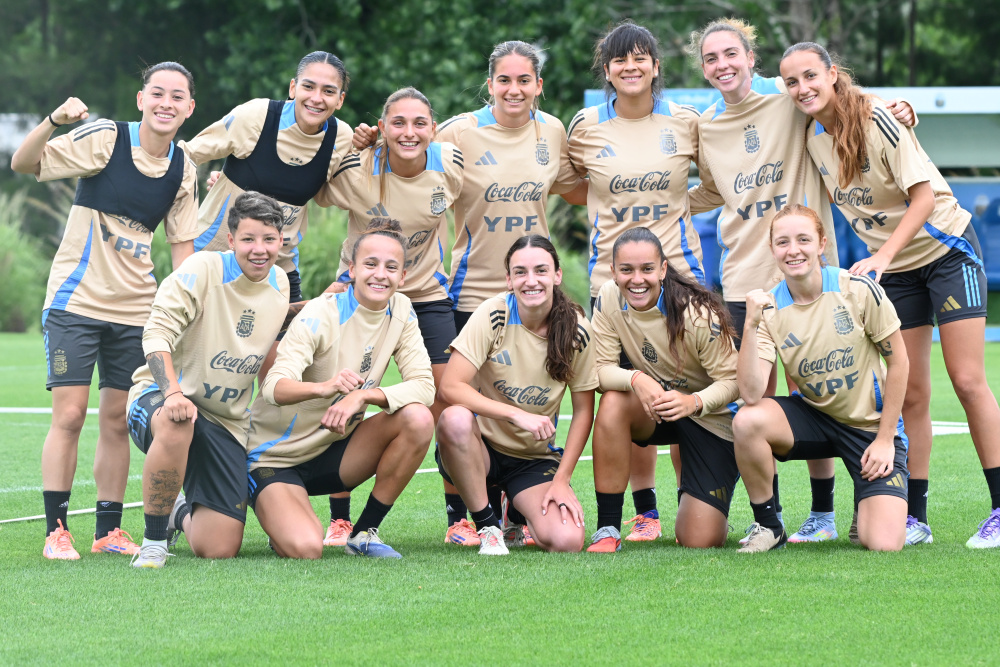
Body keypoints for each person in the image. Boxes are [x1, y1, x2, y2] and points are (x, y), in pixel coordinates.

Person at [687, 19, 916, 543]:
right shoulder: (706, 127)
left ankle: (824, 511)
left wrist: (896, 107)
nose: (722, 65)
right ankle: (767, 520)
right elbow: (704, 189)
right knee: (754, 403)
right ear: (703, 69)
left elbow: (835, 93)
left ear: (751, 58)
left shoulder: (786, 100)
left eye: (731, 54)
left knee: (809, 383)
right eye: (711, 58)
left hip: (812, 272)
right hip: (745, 276)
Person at [354, 40, 586, 546]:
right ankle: (461, 514)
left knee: (520, 394)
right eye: (504, 80)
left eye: (524, 80)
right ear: (490, 84)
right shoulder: (458, 131)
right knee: (455, 406)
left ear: (538, 86)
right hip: (471, 290)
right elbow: (404, 166)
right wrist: (367, 139)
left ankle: (518, 513)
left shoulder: (553, 130)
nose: (514, 89)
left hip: (534, 291)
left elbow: (576, 186)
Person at [780, 42, 1000, 548]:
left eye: (811, 76)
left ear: (832, 74)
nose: (802, 89)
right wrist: (886, 261)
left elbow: (923, 197)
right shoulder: (814, 137)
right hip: (895, 270)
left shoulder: (879, 118)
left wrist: (881, 257)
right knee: (914, 393)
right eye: (792, 82)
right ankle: (915, 516)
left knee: (967, 380)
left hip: (946, 251)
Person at [10, 62, 199, 560]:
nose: (166, 103)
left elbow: (183, 250)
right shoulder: (106, 139)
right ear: (141, 99)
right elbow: (23, 163)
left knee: (116, 420)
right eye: (157, 93)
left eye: (177, 97)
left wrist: (185, 309)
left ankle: (109, 532)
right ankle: (57, 531)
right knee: (70, 415)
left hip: (138, 309)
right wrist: (55, 120)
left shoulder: (184, 168)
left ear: (190, 108)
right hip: (76, 302)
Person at [568, 20, 707, 543]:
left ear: (654, 66)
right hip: (613, 284)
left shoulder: (687, 121)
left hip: (682, 279)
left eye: (640, 57)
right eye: (619, 60)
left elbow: (712, 185)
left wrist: (672, 213)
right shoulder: (585, 126)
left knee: (686, 390)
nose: (630, 67)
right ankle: (642, 511)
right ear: (607, 70)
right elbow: (565, 183)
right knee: (627, 398)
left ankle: (689, 503)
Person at [318, 87, 462, 547]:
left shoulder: (450, 164)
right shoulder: (360, 167)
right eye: (397, 122)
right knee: (346, 390)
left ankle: (457, 517)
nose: (409, 132)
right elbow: (317, 189)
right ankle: (341, 518)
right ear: (381, 128)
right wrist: (349, 147)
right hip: (363, 295)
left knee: (447, 401)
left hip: (426, 293)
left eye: (419, 122)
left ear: (433, 129)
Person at [245, 218, 435, 559]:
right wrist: (326, 388)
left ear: (403, 276)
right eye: (371, 264)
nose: (381, 274)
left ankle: (364, 534)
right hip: (275, 456)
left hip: (332, 452)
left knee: (418, 419)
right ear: (352, 269)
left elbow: (425, 386)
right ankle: (232, 500)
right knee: (305, 548)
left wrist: (363, 396)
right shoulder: (320, 315)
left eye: (392, 267)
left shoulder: (402, 310)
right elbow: (274, 386)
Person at [127, 191, 290, 568]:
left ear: (281, 241)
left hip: (225, 421)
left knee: (219, 546)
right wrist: (172, 393)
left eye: (269, 239)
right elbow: (155, 335)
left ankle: (177, 513)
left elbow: (270, 342)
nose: (259, 249)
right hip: (160, 398)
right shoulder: (202, 269)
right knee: (177, 419)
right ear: (231, 240)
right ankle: (153, 543)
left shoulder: (280, 284)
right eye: (248, 239)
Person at [733, 204, 909, 553]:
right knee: (748, 420)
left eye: (803, 240)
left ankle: (866, 501)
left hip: (869, 429)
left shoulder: (857, 291)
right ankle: (769, 526)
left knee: (883, 544)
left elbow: (900, 362)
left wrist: (886, 438)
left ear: (821, 244)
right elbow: (751, 393)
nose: (793, 250)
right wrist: (750, 326)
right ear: (772, 250)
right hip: (814, 419)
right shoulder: (768, 308)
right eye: (783, 242)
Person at [436, 235, 597, 555]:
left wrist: (562, 480)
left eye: (541, 270)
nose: (531, 280)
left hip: (531, 457)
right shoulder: (492, 314)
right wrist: (515, 413)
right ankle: (488, 526)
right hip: (480, 448)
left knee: (566, 542)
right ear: (509, 279)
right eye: (520, 272)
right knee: (453, 419)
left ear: (557, 275)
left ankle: (516, 510)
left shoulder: (577, 329)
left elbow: (583, 411)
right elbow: (450, 386)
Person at [588, 227, 740, 552]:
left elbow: (734, 381)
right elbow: (599, 371)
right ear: (614, 272)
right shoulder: (607, 297)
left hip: (709, 417)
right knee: (614, 402)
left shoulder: (698, 312)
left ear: (663, 269)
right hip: (660, 411)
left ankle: (697, 499)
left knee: (698, 539)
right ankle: (607, 528)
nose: (637, 279)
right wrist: (636, 379)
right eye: (626, 270)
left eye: (646, 269)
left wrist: (694, 402)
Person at [183, 51, 353, 306]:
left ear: (340, 100)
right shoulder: (257, 116)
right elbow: (185, 156)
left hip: (278, 268)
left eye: (328, 91)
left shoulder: (342, 138)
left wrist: (368, 147)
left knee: (287, 344)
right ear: (293, 87)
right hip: (214, 258)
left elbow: (336, 193)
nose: (316, 98)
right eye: (308, 86)